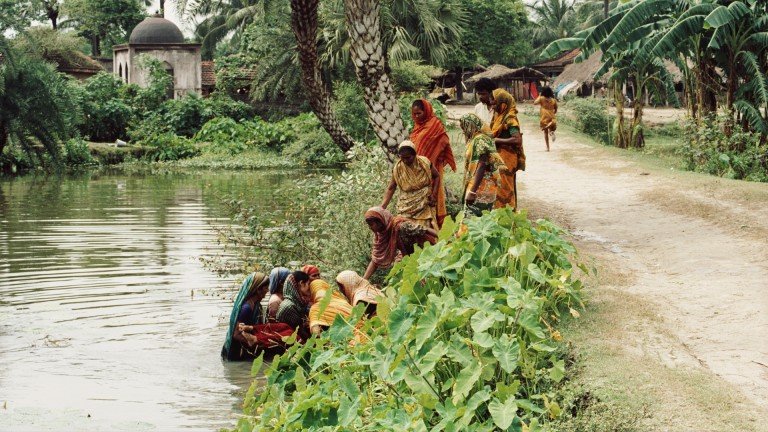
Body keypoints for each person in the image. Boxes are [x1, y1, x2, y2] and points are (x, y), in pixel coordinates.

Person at [410, 99, 456, 228]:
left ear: (426, 111)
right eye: (414, 114)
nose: (416, 117)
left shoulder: (434, 125)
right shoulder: (416, 127)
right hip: (417, 172)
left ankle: (437, 230)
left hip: (433, 169)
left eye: (419, 113)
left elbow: (444, 141)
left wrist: (432, 158)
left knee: (433, 198)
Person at [362, 206, 438, 280]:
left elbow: (425, 229)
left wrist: (443, 237)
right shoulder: (383, 234)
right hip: (411, 257)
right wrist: (363, 280)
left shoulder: (401, 226)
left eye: (371, 224)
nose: (370, 228)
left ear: (380, 221)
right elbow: (375, 260)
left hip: (428, 251)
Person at [381, 140, 440, 230]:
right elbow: (391, 187)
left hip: (424, 203)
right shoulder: (398, 168)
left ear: (415, 155)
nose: (405, 160)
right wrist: (383, 207)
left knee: (425, 231)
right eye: (402, 158)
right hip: (405, 206)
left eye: (408, 157)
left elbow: (436, 176)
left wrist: (434, 194)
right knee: (404, 231)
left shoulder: (424, 163)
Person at [460, 114, 505, 217]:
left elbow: (481, 165)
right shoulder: (481, 138)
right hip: (484, 184)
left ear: (471, 126)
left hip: (481, 185)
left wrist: (472, 191)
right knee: (483, 220)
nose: (463, 131)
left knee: (472, 222)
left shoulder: (479, 140)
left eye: (464, 127)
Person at [490, 88, 525, 210]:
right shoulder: (499, 116)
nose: (493, 106)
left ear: (503, 103)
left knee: (505, 188)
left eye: (495, 103)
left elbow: (517, 140)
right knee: (501, 187)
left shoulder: (510, 118)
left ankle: (509, 216)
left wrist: (497, 141)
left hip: (508, 159)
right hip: (501, 158)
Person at [221, 272, 269, 360]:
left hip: (247, 349)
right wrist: (258, 341)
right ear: (258, 290)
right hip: (237, 353)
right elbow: (236, 334)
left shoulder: (257, 305)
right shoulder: (246, 308)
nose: (268, 290)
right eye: (266, 288)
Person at [533, 86, 558, 151]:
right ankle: (551, 131)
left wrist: (539, 95)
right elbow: (556, 109)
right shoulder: (553, 100)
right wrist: (553, 113)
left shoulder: (541, 98)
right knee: (552, 126)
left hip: (544, 116)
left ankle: (547, 148)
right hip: (551, 116)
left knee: (545, 133)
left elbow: (535, 103)